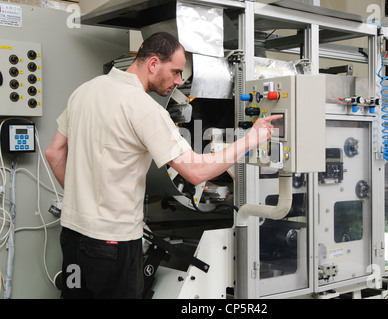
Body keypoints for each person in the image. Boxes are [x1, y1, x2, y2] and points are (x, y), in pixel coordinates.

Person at [45, 31, 281, 299]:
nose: (179, 81)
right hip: (113, 244)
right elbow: (195, 172)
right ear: (154, 63)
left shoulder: (84, 91)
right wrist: (251, 139)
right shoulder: (143, 107)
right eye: (176, 71)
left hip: (73, 236)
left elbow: (54, 153)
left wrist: (84, 199)